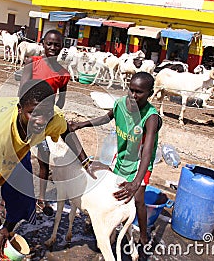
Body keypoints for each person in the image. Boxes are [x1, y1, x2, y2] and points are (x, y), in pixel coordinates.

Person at [0, 79, 104, 261]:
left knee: (22, 198)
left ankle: (7, 236)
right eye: (33, 114)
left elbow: (66, 131)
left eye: (46, 114)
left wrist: (86, 161)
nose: (40, 121)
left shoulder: (51, 118)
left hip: (16, 152)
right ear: (20, 109)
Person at [69, 72, 162, 248]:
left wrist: (136, 182)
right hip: (121, 157)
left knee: (138, 199)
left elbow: (147, 151)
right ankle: (108, 230)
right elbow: (107, 117)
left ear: (150, 93)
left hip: (140, 164)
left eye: (139, 92)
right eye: (131, 90)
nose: (133, 96)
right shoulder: (120, 104)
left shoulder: (151, 117)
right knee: (113, 193)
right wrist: (81, 125)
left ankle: (143, 235)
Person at [19, 29, 70, 214]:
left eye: (57, 44)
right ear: (43, 44)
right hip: (25, 120)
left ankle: (41, 198)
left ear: (62, 47)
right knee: (18, 157)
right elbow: (22, 91)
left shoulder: (63, 74)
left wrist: (54, 112)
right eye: (49, 44)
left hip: (44, 121)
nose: (53, 48)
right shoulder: (32, 63)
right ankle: (10, 199)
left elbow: (62, 100)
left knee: (44, 159)